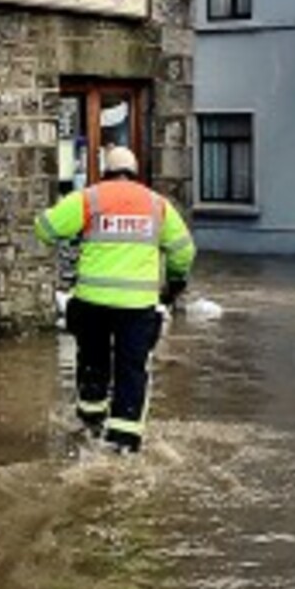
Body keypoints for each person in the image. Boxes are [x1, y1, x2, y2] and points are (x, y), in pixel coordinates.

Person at [33, 145, 196, 453]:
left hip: (91, 302)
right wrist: (173, 285)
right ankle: (124, 440)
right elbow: (184, 251)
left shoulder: (90, 198)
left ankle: (90, 424)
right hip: (137, 308)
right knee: (132, 369)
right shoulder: (157, 205)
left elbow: (45, 229)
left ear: (105, 172)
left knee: (92, 360)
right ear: (136, 174)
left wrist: (71, 231)